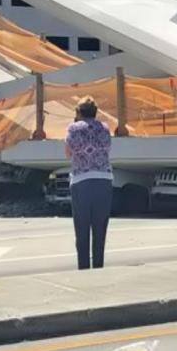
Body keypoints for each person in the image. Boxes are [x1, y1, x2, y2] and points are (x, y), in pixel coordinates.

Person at [65, 96, 113, 270]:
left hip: (81, 180)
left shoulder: (74, 128)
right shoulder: (104, 128)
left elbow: (68, 153)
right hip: (103, 179)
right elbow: (107, 149)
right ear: (95, 112)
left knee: (82, 227)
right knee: (100, 228)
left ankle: (83, 267)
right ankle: (98, 265)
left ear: (78, 112)